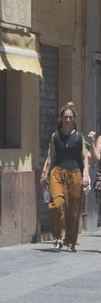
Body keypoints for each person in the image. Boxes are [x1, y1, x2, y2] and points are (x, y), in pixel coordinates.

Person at [40, 102, 90, 252]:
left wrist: (86, 174)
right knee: (55, 204)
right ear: (61, 118)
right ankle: (57, 238)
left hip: (74, 174)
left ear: (74, 119)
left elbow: (84, 157)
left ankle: (70, 242)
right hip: (57, 172)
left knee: (73, 210)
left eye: (70, 117)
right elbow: (51, 156)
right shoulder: (55, 136)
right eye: (65, 117)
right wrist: (44, 173)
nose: (68, 120)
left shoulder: (79, 137)